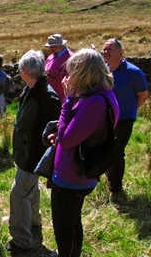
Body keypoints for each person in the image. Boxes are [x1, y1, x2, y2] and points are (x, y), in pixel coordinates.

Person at [51, 48, 120, 256]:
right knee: (73, 223)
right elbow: (80, 132)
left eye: (73, 72)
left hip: (72, 177)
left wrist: (68, 100)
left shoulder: (95, 102)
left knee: (64, 229)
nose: (69, 77)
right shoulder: (103, 96)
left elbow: (67, 139)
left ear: (84, 73)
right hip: (79, 173)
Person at [5, 50, 61, 254]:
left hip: (34, 155)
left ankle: (21, 240)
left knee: (19, 193)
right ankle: (33, 221)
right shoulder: (33, 89)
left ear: (25, 70)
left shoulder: (46, 95)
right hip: (29, 154)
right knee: (31, 189)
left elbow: (57, 127)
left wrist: (48, 157)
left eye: (20, 69)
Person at [102, 39, 148, 196]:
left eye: (110, 49)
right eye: (104, 49)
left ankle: (115, 188)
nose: (105, 52)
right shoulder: (104, 71)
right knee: (105, 149)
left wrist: (131, 110)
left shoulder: (133, 72)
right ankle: (108, 180)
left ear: (120, 51)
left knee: (116, 151)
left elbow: (142, 95)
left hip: (124, 120)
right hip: (106, 118)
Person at [44, 33, 74, 103]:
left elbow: (70, 77)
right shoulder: (50, 57)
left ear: (61, 45)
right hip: (50, 96)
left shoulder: (70, 57)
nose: (51, 49)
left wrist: (50, 72)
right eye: (50, 47)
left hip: (63, 98)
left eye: (53, 46)